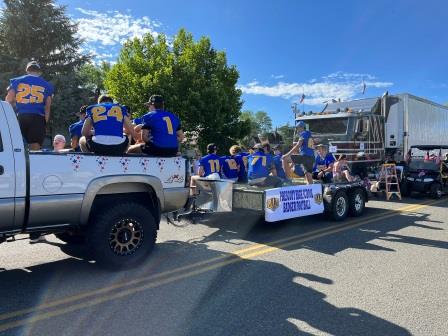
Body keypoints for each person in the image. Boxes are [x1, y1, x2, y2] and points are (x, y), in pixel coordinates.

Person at [5, 61, 54, 150]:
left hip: (21, 116)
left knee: (18, 146)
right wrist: (45, 122)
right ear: (39, 72)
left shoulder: (17, 81)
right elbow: (47, 106)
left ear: (27, 70)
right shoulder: (47, 85)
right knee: (35, 146)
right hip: (38, 117)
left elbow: (9, 99)